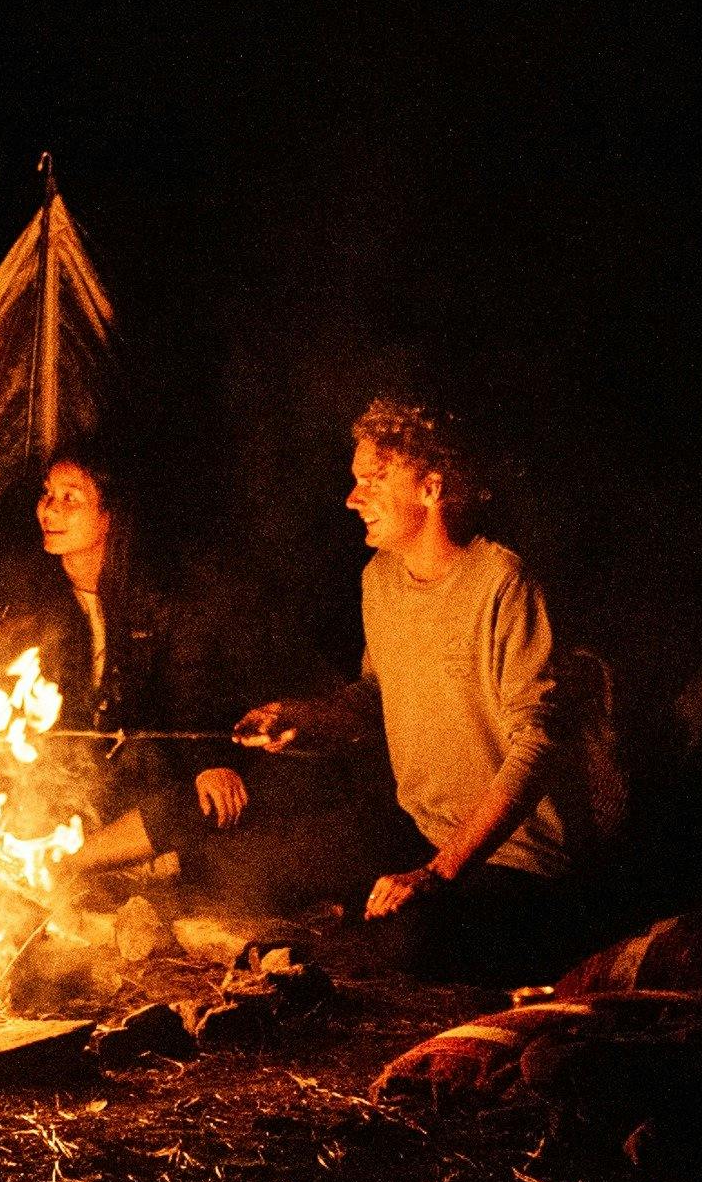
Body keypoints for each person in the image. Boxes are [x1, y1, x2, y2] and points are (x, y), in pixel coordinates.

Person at [235, 395, 588, 981]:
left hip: (517, 860)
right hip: (421, 831)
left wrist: (437, 872)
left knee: (413, 942)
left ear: (430, 489)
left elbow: (538, 745)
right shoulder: (380, 579)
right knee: (262, 864)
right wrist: (302, 719)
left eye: (372, 480)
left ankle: (317, 961)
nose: (353, 498)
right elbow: (376, 699)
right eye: (354, 482)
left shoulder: (502, 582)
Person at [0, 444, 335, 918]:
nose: (50, 510)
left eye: (70, 498)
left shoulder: (158, 601)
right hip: (75, 780)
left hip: (147, 776)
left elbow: (187, 693)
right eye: (47, 495)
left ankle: (59, 864)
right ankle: (68, 868)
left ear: (109, 518)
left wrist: (206, 764)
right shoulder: (37, 602)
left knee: (201, 800)